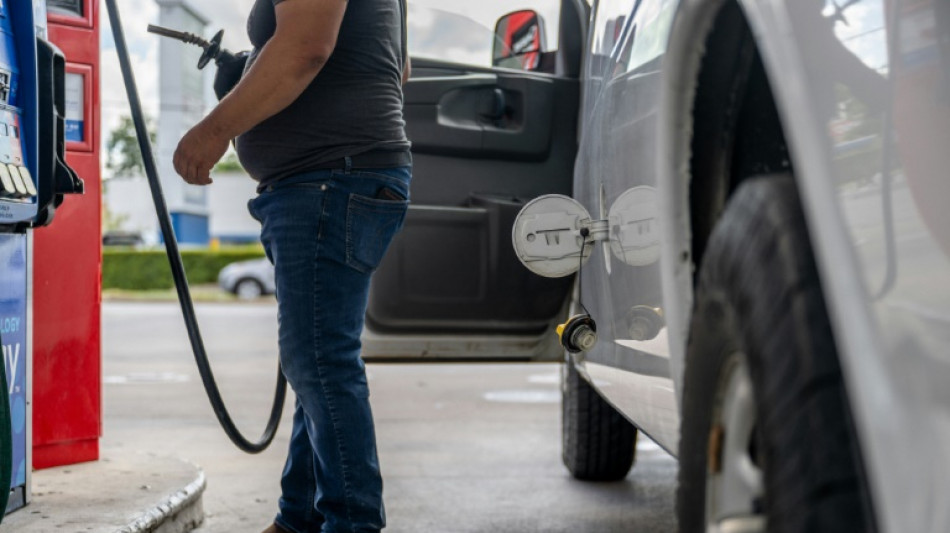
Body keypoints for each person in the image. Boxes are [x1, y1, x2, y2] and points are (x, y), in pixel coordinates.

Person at [172, 0, 411, 531]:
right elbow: (394, 67)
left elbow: (305, 49)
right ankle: (298, 520)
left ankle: (352, 523)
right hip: (340, 177)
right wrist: (253, 73)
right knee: (316, 363)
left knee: (320, 363)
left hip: (329, 180)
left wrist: (212, 131)